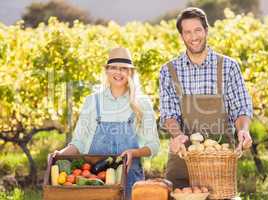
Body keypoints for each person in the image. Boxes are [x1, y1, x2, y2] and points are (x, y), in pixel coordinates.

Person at [159, 7, 253, 188]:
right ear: (181, 36)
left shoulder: (228, 66)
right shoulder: (169, 71)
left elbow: (241, 108)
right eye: (187, 32)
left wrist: (243, 130)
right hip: (183, 156)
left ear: (206, 30)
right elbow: (169, 113)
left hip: (219, 159)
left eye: (197, 30)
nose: (193, 37)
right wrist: (177, 136)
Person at [54, 47, 160, 199]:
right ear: (107, 71)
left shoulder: (142, 103)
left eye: (124, 68)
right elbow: (79, 142)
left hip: (130, 179)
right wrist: (60, 155)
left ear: (130, 72)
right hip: (95, 179)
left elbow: (154, 146)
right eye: (114, 68)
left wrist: (134, 152)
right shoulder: (92, 101)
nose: (118, 72)